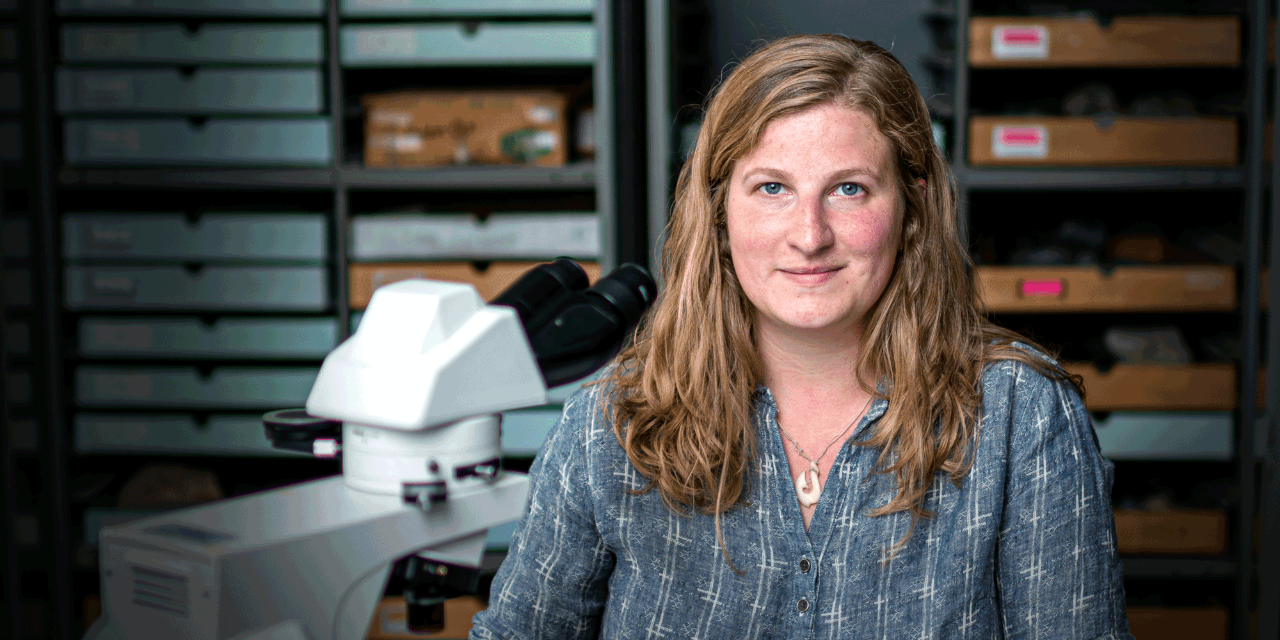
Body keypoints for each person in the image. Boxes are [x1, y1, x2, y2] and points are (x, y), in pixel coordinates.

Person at [470, 34, 1133, 639]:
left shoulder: (1020, 418)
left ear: (911, 206)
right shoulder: (611, 424)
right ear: (720, 212)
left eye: (848, 189)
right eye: (771, 188)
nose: (810, 235)